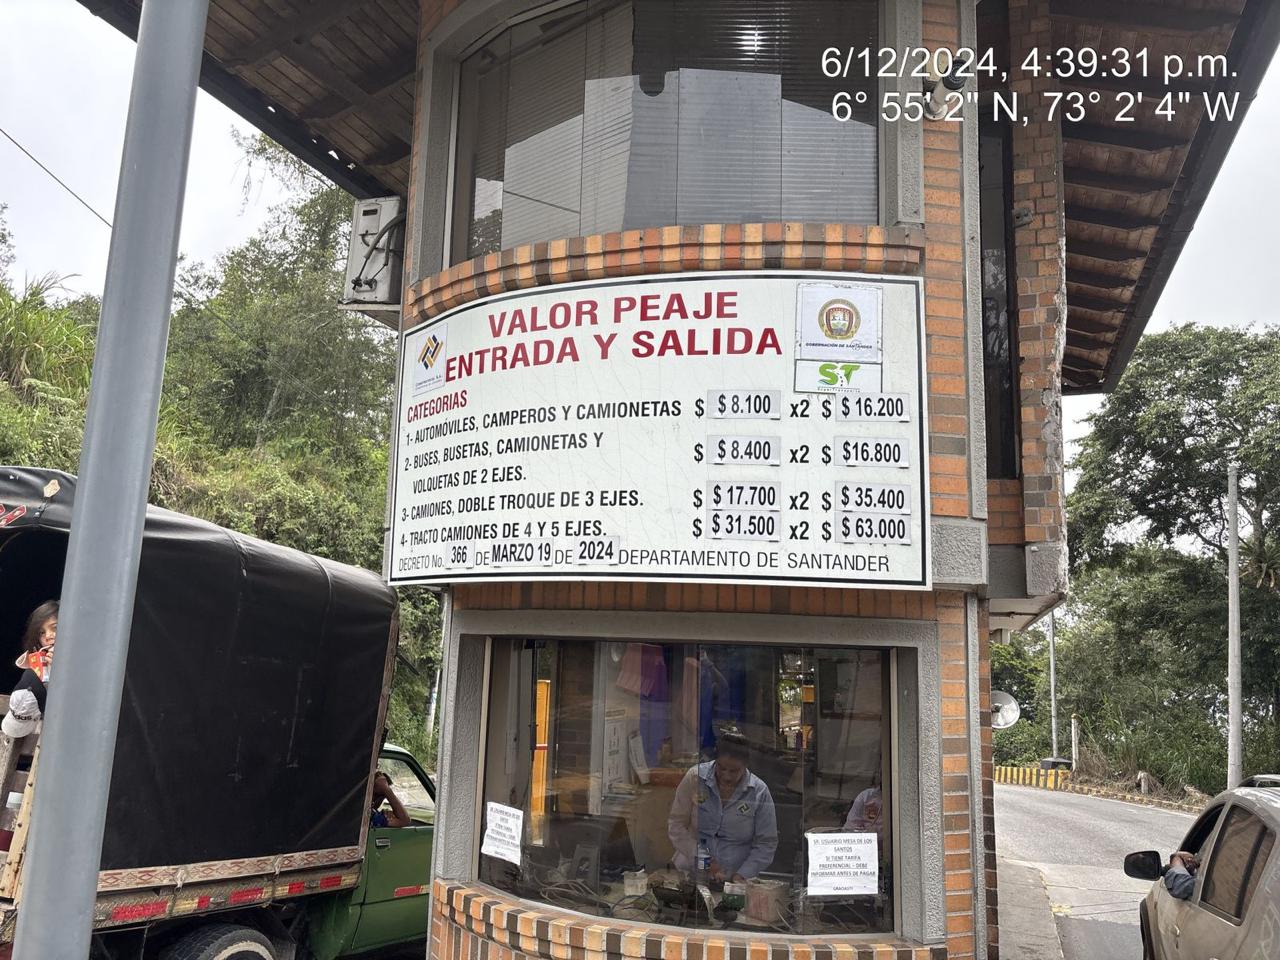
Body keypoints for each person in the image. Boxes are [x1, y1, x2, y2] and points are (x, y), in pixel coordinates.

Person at [667, 733, 777, 882]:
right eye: (721, 768)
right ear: (715, 760)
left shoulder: (759, 792)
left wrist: (742, 875)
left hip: (734, 876)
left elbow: (766, 843)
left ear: (745, 765)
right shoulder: (695, 778)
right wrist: (701, 858)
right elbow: (676, 825)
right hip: (690, 871)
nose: (726, 776)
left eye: (734, 771)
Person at [3, 600, 58, 739]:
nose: (48, 636)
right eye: (41, 632)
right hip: (41, 730)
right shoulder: (36, 666)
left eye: (55, 628)